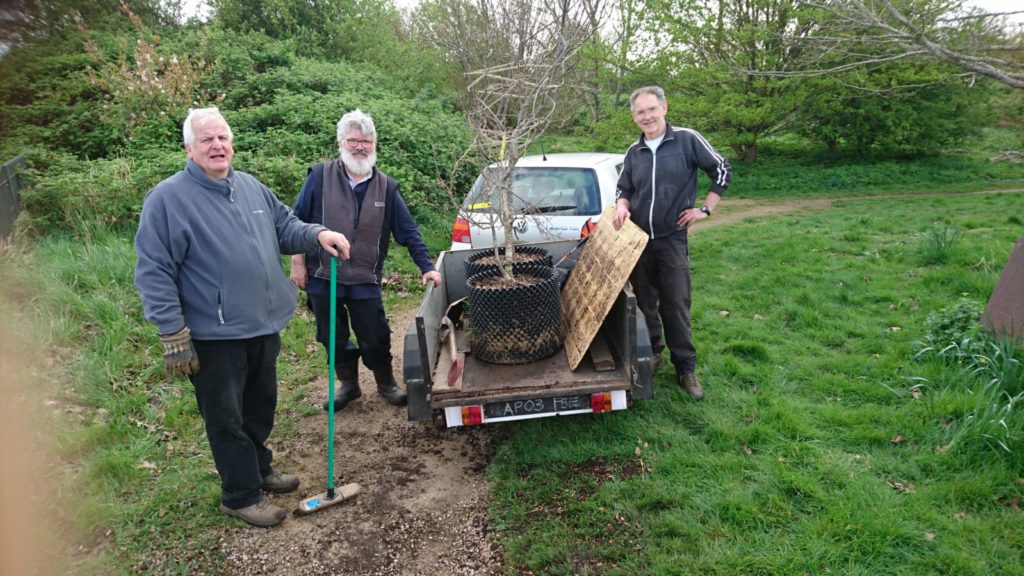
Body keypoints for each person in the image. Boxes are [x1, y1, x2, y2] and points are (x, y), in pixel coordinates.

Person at [134, 107, 352, 527]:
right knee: (226, 417)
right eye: (206, 140)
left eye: (222, 137)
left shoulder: (250, 187)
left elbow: (285, 227)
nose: (217, 145)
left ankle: (258, 468)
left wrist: (318, 234)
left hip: (262, 323)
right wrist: (172, 332)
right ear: (189, 149)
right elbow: (154, 269)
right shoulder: (167, 199)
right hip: (214, 336)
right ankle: (239, 494)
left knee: (259, 406)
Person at [290, 109, 441, 412]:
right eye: (353, 140)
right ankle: (349, 385)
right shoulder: (319, 177)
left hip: (364, 277)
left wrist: (426, 266)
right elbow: (296, 221)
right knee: (332, 336)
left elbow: (408, 231)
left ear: (374, 144)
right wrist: (297, 263)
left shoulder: (386, 187)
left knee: (375, 335)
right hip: (323, 274)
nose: (360, 147)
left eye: (366, 141)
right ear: (340, 142)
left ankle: (386, 383)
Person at [612, 86, 732, 401]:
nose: (647, 116)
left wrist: (705, 209)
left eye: (652, 109)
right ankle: (653, 353)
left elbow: (721, 169)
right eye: (640, 112)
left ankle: (686, 368)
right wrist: (622, 206)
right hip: (638, 241)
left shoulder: (687, 140)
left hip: (672, 239)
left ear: (664, 107)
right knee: (644, 302)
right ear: (634, 116)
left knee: (676, 304)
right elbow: (623, 188)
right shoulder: (633, 152)